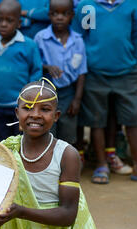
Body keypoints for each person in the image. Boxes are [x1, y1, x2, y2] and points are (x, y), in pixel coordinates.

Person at [0, 78, 107, 229]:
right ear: (17, 113)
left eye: (45, 109)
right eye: (27, 108)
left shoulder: (67, 155)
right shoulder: (7, 151)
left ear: (56, 116)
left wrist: (21, 212)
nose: (35, 115)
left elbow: (68, 215)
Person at [73, 0, 137, 184]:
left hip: (128, 72)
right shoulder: (87, 6)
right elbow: (79, 37)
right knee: (97, 121)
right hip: (95, 72)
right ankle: (101, 165)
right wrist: (82, 66)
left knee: (133, 119)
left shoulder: (131, 5)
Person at [0, 0, 42, 141]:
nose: (3, 24)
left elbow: (36, 72)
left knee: (21, 140)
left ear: (19, 23)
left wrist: (29, 100)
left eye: (9, 21)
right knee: (1, 141)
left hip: (20, 106)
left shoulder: (28, 45)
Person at [34, 0, 86, 146]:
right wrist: (46, 67)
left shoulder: (77, 41)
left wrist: (77, 99)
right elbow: (34, 64)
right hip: (46, 94)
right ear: (49, 15)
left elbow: (82, 72)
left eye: (64, 14)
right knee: (48, 133)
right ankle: (49, 167)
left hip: (68, 94)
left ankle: (67, 166)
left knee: (68, 135)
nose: (59, 17)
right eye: (55, 13)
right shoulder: (40, 38)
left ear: (72, 15)